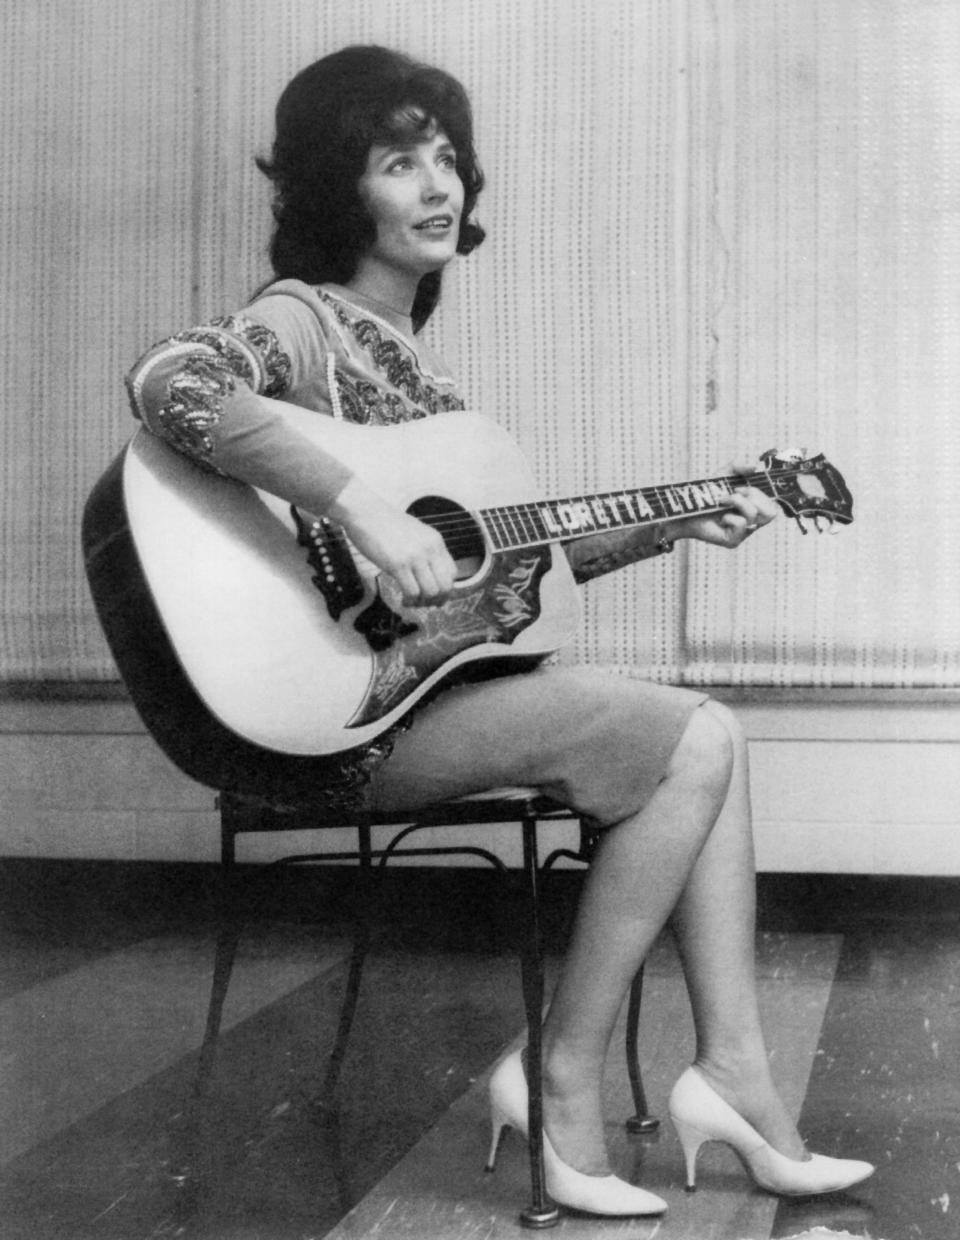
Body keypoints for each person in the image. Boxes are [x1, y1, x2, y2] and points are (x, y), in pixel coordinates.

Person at [125, 44, 873, 1218]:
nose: (439, 186)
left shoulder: (414, 370)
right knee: (691, 739)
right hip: (333, 720)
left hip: (419, 700)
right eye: (397, 161)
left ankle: (737, 1077)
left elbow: (503, 572)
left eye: (448, 160)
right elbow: (169, 380)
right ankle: (560, 1075)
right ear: (340, 187)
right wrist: (359, 505)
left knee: (712, 730)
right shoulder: (305, 321)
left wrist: (681, 520)